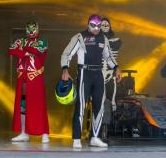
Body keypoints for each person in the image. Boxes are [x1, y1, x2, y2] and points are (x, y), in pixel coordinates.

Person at [61, 14, 121, 148]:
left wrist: (116, 68)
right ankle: (76, 138)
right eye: (94, 25)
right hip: (84, 72)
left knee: (99, 107)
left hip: (98, 73)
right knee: (81, 106)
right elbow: (67, 53)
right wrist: (65, 69)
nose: (96, 28)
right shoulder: (79, 37)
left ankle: (95, 137)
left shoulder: (103, 38)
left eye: (99, 26)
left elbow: (109, 57)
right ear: (88, 24)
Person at [8, 21, 49, 143]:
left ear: (38, 29)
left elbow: (38, 51)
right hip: (22, 77)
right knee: (22, 104)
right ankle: (23, 132)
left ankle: (44, 133)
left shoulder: (42, 41)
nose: (31, 32)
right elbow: (11, 50)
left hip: (35, 77)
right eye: (29, 29)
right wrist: (25, 52)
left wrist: (23, 48)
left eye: (33, 29)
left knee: (39, 105)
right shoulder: (21, 40)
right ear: (26, 30)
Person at [100, 17, 122, 141]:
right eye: (102, 24)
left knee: (112, 102)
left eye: (106, 24)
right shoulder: (96, 40)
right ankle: (101, 130)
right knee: (102, 101)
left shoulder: (116, 40)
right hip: (98, 74)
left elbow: (115, 44)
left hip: (110, 73)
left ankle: (109, 128)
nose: (104, 26)